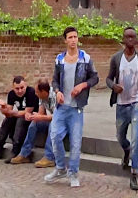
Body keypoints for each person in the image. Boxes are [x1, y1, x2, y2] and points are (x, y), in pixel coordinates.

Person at [44, 25, 99, 187]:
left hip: (76, 108)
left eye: (75, 37)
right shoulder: (59, 59)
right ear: (65, 40)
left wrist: (82, 86)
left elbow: (95, 78)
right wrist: (57, 91)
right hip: (62, 107)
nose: (73, 40)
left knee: (75, 143)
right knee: (54, 136)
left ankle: (73, 173)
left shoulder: (85, 59)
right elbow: (54, 80)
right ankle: (60, 168)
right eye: (70, 38)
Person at [107, 25, 138, 191]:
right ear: (123, 39)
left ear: (136, 40)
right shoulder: (116, 58)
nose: (130, 39)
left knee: (137, 138)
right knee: (120, 137)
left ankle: (134, 174)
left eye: (132, 37)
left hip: (137, 103)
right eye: (127, 37)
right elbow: (108, 79)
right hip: (121, 105)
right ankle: (126, 151)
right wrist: (113, 86)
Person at [0, 74, 39, 160]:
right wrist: (3, 108)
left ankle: (16, 150)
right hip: (22, 116)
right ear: (13, 88)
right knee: (7, 120)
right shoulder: (11, 94)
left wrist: (11, 112)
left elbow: (27, 112)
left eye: (22, 88)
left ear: (26, 85)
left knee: (21, 119)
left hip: (33, 117)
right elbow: (8, 113)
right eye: (17, 88)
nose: (20, 91)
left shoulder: (31, 92)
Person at [12, 78, 55, 165]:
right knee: (34, 123)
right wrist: (33, 116)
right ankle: (24, 154)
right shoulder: (41, 97)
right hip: (52, 119)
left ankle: (49, 157)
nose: (35, 94)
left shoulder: (55, 96)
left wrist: (40, 117)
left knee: (53, 125)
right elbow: (41, 113)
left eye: (37, 92)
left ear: (43, 91)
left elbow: (58, 118)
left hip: (63, 122)